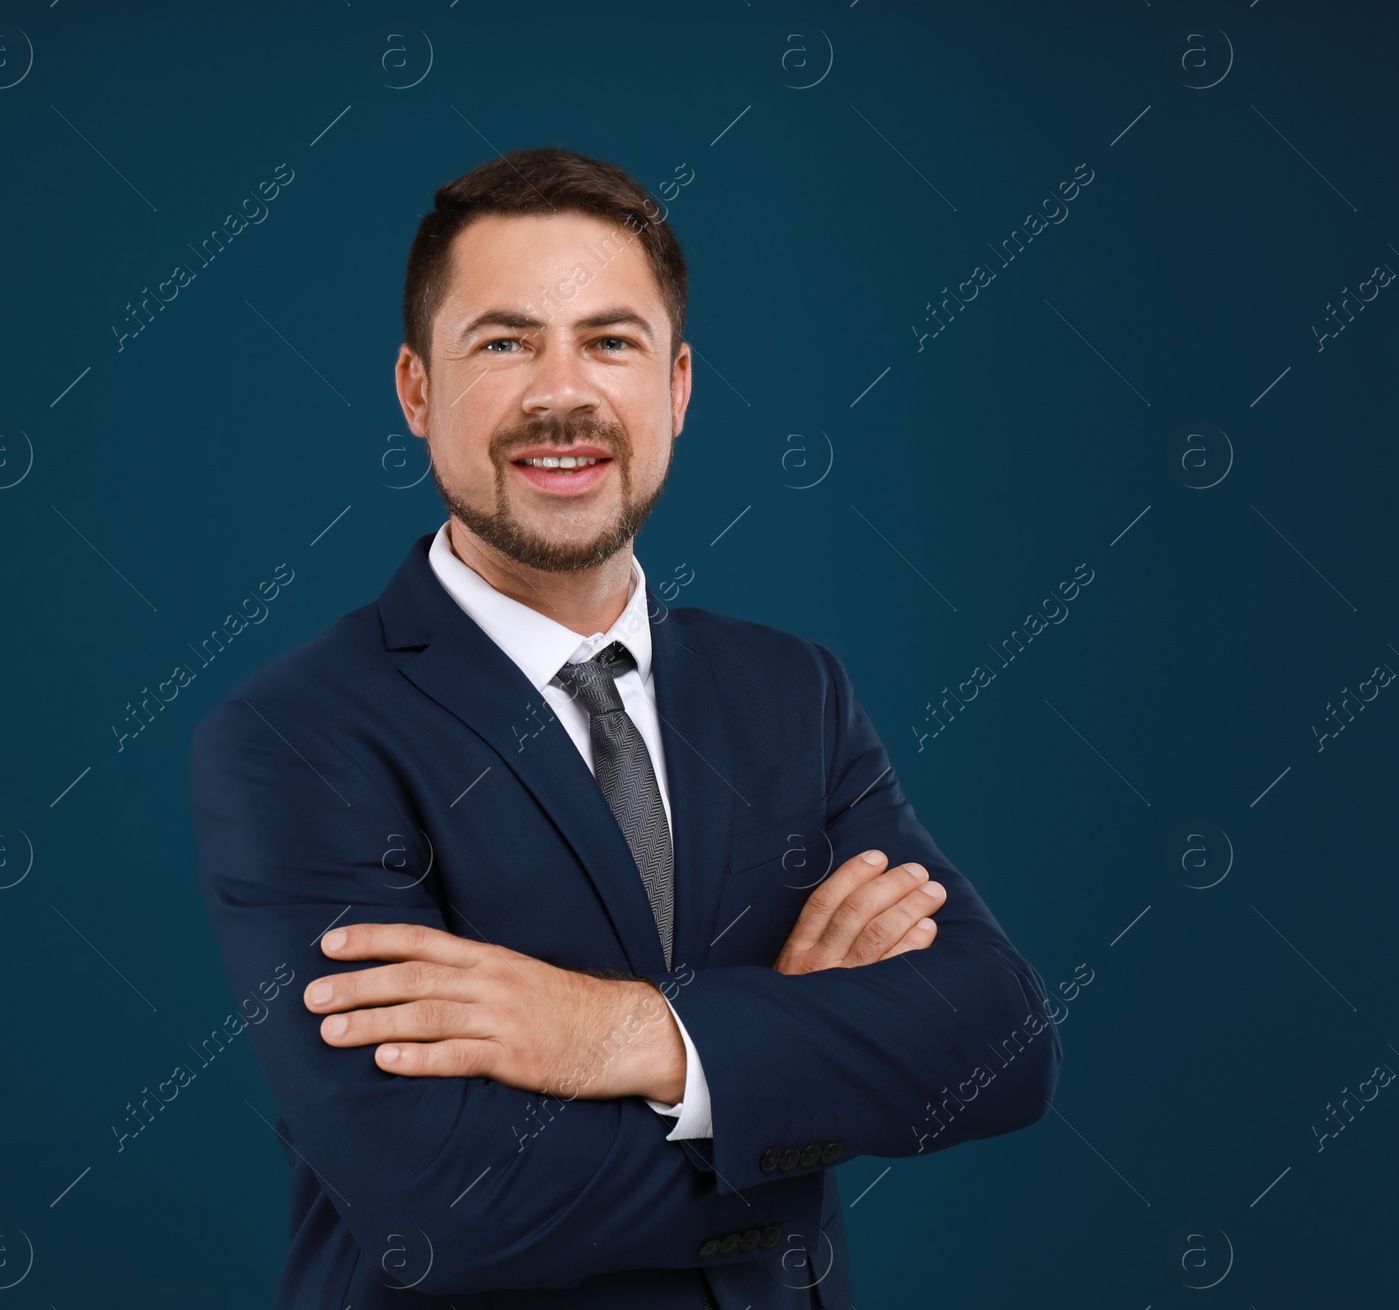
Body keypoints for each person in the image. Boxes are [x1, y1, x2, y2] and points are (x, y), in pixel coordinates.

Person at [189, 146, 1061, 1310]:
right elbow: (440, 1209)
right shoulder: (293, 737)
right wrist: (800, 1093)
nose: (565, 393)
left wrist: (626, 1035)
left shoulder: (791, 691)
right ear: (415, 389)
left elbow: (1001, 1044)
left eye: (610, 340)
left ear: (677, 386)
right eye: (504, 342)